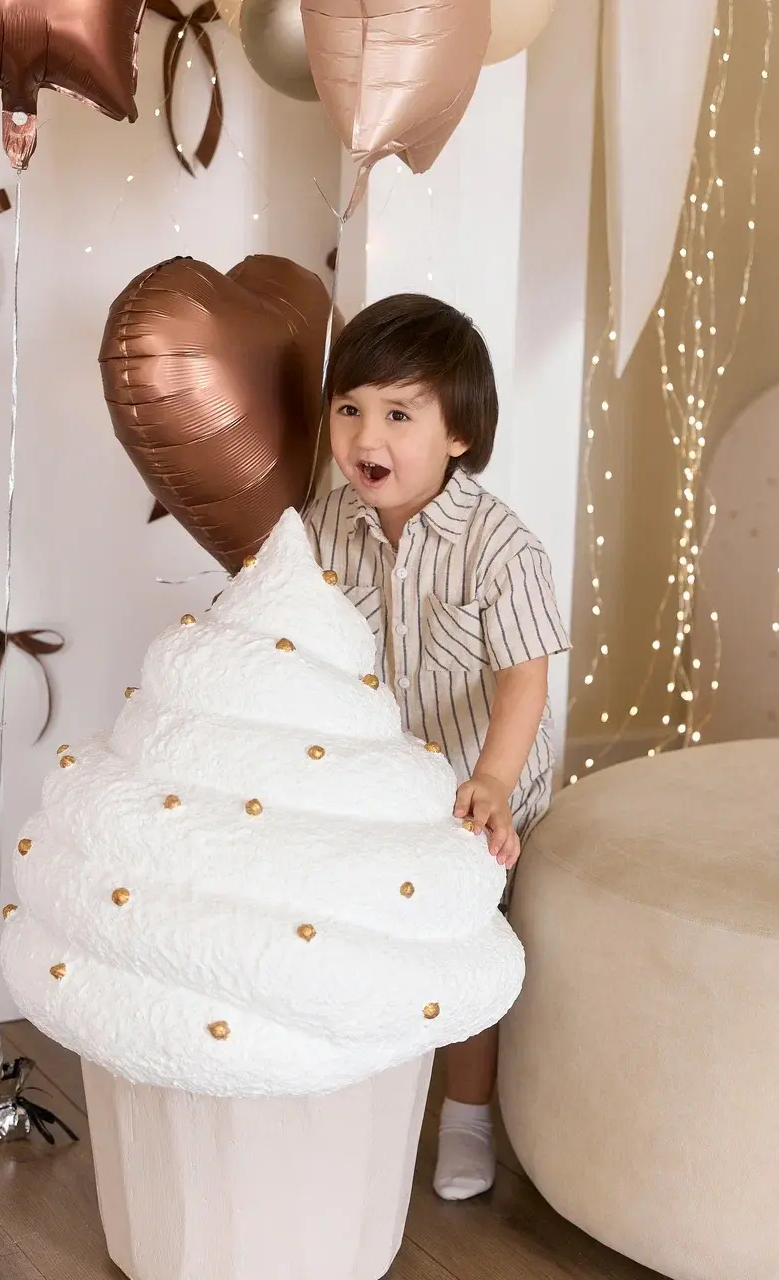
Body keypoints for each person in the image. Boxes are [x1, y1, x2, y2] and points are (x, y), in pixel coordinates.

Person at [304, 293, 570, 1202]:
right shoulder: (324, 524)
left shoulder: (501, 548)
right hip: (379, 780)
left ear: (457, 434)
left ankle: (466, 1113)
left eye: (397, 414)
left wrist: (492, 780)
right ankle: (361, 1090)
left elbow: (523, 680)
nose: (363, 436)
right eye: (349, 408)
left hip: (475, 781)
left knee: (464, 938)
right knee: (360, 927)